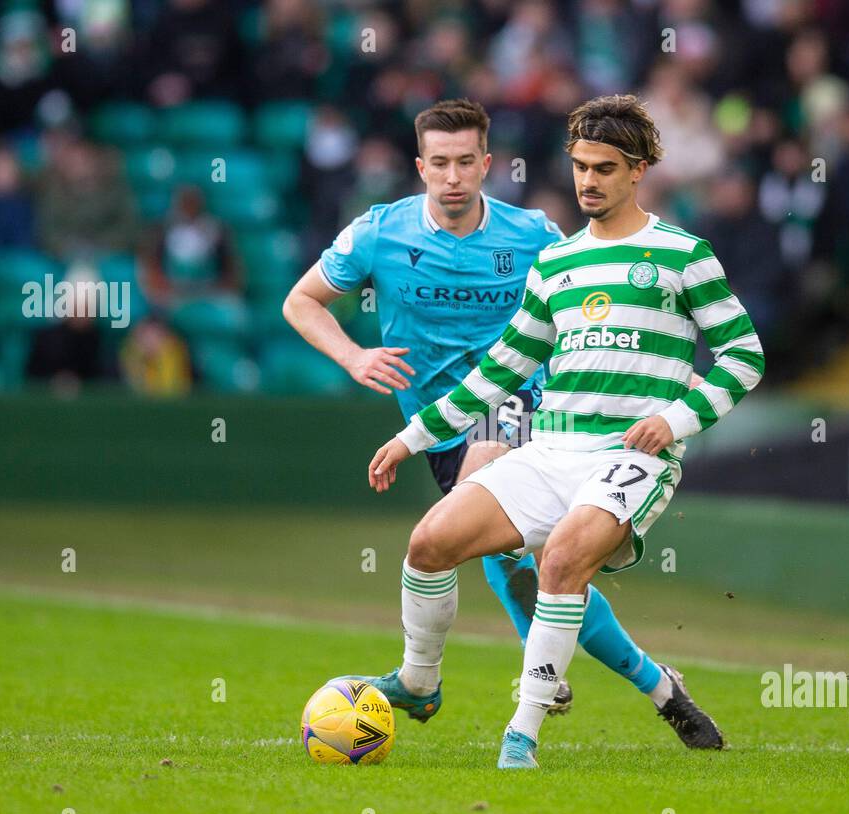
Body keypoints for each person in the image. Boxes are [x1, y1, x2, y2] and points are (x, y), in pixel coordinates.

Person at [364, 94, 763, 768]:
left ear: (638, 171)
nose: (588, 181)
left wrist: (674, 419)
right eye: (580, 167)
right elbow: (498, 373)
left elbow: (744, 356)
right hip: (549, 450)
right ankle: (420, 681)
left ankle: (521, 735)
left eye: (604, 168)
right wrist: (410, 439)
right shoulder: (556, 264)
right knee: (429, 543)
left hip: (630, 457)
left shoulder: (682, 255)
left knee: (561, 561)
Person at [283, 100, 681, 731]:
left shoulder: (533, 236)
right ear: (419, 167)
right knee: (525, 564)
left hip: (520, 404)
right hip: (437, 420)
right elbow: (301, 302)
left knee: (501, 517)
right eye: (439, 163)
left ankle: (466, 675)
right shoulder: (379, 233)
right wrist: (353, 356)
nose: (453, 177)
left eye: (466, 161)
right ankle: (656, 682)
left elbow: (584, 300)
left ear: (487, 164)